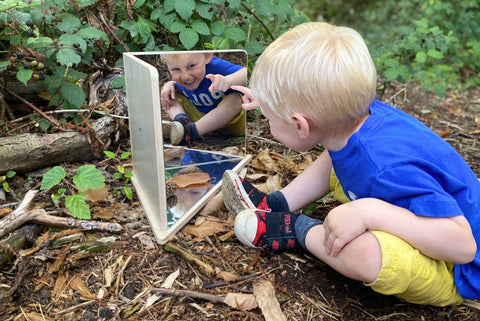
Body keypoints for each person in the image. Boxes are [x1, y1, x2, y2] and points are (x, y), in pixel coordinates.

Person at [221, 21, 480, 307]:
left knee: (365, 254)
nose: (268, 122)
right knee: (338, 148)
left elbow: (463, 246)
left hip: (458, 269)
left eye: (269, 117)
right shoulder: (359, 119)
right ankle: (277, 204)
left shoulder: (386, 166)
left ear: (299, 124)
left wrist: (370, 212)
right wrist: (271, 100)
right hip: (421, 221)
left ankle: (297, 228)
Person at [160, 52, 247, 145]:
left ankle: (189, 133)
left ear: (207, 57)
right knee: (168, 93)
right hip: (200, 121)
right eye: (176, 69)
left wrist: (229, 80)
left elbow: (246, 73)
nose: (185, 77)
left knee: (235, 99)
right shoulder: (182, 81)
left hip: (232, 122)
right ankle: (181, 123)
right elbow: (174, 88)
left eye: (191, 66)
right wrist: (170, 85)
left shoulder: (216, 66)